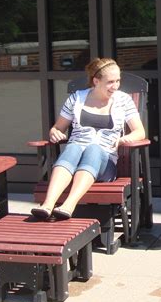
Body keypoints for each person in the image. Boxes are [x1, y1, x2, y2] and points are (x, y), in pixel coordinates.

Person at [31, 57, 145, 220]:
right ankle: (48, 205)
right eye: (110, 82)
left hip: (105, 164)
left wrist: (122, 140)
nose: (116, 86)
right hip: (74, 160)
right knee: (73, 146)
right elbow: (58, 127)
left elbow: (139, 132)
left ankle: (69, 205)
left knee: (93, 148)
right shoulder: (77, 98)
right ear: (96, 81)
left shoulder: (123, 100)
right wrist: (55, 132)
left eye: (118, 81)